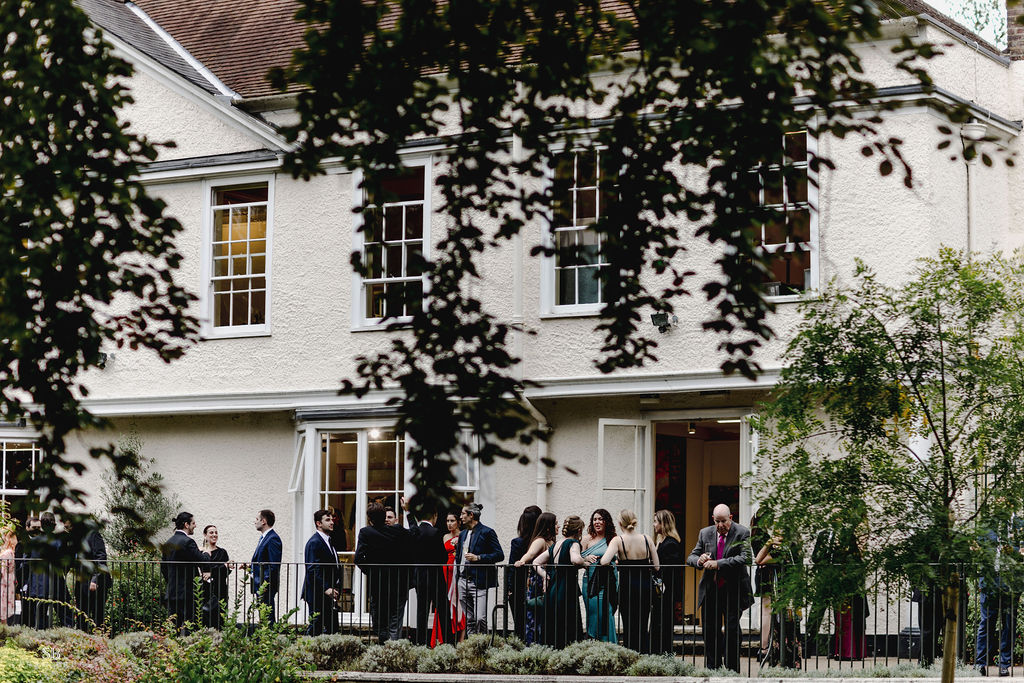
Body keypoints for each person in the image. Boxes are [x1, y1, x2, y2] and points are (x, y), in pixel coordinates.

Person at [686, 503, 753, 672]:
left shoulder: (742, 532)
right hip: (711, 589)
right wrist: (699, 560)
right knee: (710, 630)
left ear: (731, 518)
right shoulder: (705, 533)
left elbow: (746, 558)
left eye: (724, 521)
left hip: (733, 589)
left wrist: (718, 564)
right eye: (717, 521)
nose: (720, 525)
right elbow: (691, 557)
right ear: (713, 519)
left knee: (731, 629)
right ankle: (712, 668)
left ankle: (732, 670)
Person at [600, 509, 660, 654]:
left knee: (628, 624)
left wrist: (617, 560)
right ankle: (644, 655)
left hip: (627, 587)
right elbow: (657, 566)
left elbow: (604, 561)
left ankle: (630, 655)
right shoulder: (647, 539)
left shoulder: (618, 540)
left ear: (620, 523)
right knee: (643, 623)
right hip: (645, 586)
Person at [355, 500, 413, 643]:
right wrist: (409, 512)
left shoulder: (366, 532)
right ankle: (392, 651)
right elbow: (415, 534)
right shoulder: (398, 530)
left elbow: (358, 559)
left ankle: (383, 650)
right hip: (398, 583)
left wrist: (371, 570)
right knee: (395, 620)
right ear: (383, 516)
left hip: (378, 584)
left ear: (370, 519)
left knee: (380, 621)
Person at [975, 519, 1024, 676]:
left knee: (1009, 625)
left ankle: (1004, 664)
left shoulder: (1019, 525)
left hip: (1011, 583)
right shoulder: (986, 526)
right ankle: (980, 664)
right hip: (990, 582)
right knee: (986, 624)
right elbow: (978, 553)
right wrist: (982, 580)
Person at [402, 497, 450, 646]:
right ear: (434, 516)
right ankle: (448, 643)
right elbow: (443, 557)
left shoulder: (414, 532)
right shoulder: (436, 532)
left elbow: (412, 527)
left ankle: (421, 644)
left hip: (420, 578)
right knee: (443, 610)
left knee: (421, 611)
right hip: (436, 577)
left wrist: (408, 511)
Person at [534, 515, 587, 648]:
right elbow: (575, 559)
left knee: (553, 621)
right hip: (566, 588)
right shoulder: (573, 543)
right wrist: (584, 562)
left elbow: (536, 562)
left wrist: (545, 575)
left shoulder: (556, 544)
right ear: (579, 530)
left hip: (553, 588)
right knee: (567, 621)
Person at [454, 502, 503, 635]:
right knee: (469, 619)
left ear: (471, 515)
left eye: (463, 513)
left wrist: (479, 558)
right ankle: (472, 649)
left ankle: (482, 645)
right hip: (463, 581)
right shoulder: (463, 534)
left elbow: (499, 555)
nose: (461, 516)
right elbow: (459, 557)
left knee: (480, 618)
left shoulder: (487, 532)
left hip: (479, 581)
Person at [161, 511, 211, 631]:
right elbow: (202, 561)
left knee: (173, 627)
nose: (195, 525)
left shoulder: (168, 542)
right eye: (193, 523)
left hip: (172, 591)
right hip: (186, 593)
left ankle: (172, 648)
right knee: (190, 626)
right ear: (186, 525)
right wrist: (206, 553)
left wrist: (172, 581)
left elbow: (164, 568)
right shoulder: (188, 542)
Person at [514, 511, 557, 644]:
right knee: (534, 616)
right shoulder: (540, 541)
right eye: (555, 523)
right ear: (548, 526)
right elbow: (531, 554)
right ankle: (532, 646)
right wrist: (521, 561)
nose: (558, 526)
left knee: (544, 617)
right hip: (537, 580)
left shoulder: (551, 541)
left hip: (547, 579)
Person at [29, 512, 73, 629]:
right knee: (66, 615)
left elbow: (28, 563)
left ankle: (40, 641)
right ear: (54, 525)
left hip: (38, 584)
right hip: (56, 582)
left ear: (41, 525)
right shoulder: (59, 541)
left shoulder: (33, 541)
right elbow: (67, 560)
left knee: (39, 618)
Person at [302, 509, 342, 636]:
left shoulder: (329, 541)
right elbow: (312, 569)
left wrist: (335, 587)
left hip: (328, 593)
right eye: (328, 520)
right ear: (318, 523)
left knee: (331, 629)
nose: (332, 522)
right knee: (316, 627)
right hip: (317, 592)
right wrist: (326, 588)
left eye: (332, 519)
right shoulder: (314, 542)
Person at [581, 508, 617, 642]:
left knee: (607, 613)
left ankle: (610, 645)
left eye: (600, 519)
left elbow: (618, 557)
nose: (597, 522)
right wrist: (585, 559)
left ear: (606, 521)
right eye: (595, 519)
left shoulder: (612, 539)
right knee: (593, 614)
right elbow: (577, 559)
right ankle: (594, 645)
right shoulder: (586, 540)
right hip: (591, 583)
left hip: (608, 581)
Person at [69, 520, 111, 631]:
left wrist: (95, 580)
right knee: (82, 613)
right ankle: (83, 639)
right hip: (82, 580)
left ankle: (100, 641)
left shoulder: (93, 535)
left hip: (95, 582)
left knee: (97, 615)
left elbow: (101, 558)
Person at [507, 505, 541, 642]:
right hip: (538, 585)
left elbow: (511, 567)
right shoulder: (542, 542)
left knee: (520, 622)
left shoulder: (518, 542)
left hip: (519, 587)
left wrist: (509, 588)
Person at [651, 509, 684, 655]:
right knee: (657, 623)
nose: (653, 525)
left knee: (663, 624)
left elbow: (672, 571)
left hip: (667, 590)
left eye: (655, 521)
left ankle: (664, 654)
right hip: (661, 590)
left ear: (663, 524)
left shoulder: (671, 544)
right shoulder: (661, 542)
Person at [433, 510, 465, 645]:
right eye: (447, 521)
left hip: (458, 571)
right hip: (446, 570)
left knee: (459, 601)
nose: (449, 524)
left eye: (452, 521)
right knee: (445, 600)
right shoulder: (444, 536)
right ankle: (442, 638)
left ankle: (461, 640)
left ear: (458, 522)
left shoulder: (463, 535)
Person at [249, 509, 282, 625]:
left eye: (257, 519)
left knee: (267, 615)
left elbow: (274, 565)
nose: (255, 522)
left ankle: (269, 638)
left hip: (265, 584)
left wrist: (265, 583)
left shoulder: (273, 538)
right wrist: (250, 567)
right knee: (263, 614)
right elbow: (262, 560)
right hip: (260, 583)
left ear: (264, 521)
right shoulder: (264, 537)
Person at [201, 525, 231, 629]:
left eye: (216, 532)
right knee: (205, 619)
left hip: (220, 590)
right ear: (205, 535)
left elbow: (226, 572)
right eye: (211, 532)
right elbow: (203, 571)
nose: (214, 535)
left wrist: (212, 572)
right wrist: (221, 567)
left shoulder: (222, 552)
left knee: (220, 620)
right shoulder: (201, 553)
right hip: (205, 591)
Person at [16, 517, 40, 628]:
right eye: (34, 527)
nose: (37, 530)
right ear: (27, 528)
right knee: (26, 610)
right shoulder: (22, 544)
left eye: (39, 528)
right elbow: (18, 565)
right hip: (26, 581)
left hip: (39, 582)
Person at [0, 525, 16, 624]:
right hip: (7, 580)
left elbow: (3, 570)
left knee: (3, 606)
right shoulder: (8, 552)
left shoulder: (7, 553)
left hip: (4, 582)